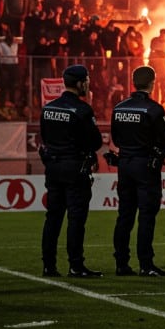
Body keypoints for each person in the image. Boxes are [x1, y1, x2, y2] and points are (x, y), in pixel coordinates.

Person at [39, 63, 104, 278]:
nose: (88, 84)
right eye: (86, 80)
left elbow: (45, 138)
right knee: (76, 219)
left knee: (53, 218)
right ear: (79, 83)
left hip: (53, 167)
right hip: (74, 168)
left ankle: (49, 265)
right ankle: (76, 265)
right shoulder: (82, 110)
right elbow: (94, 142)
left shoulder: (48, 108)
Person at [109, 65, 165, 277]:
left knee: (125, 215)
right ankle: (146, 264)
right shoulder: (154, 109)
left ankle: (121, 263)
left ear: (133, 82)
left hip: (125, 164)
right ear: (152, 83)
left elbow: (116, 139)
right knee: (146, 215)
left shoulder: (119, 107)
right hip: (145, 165)